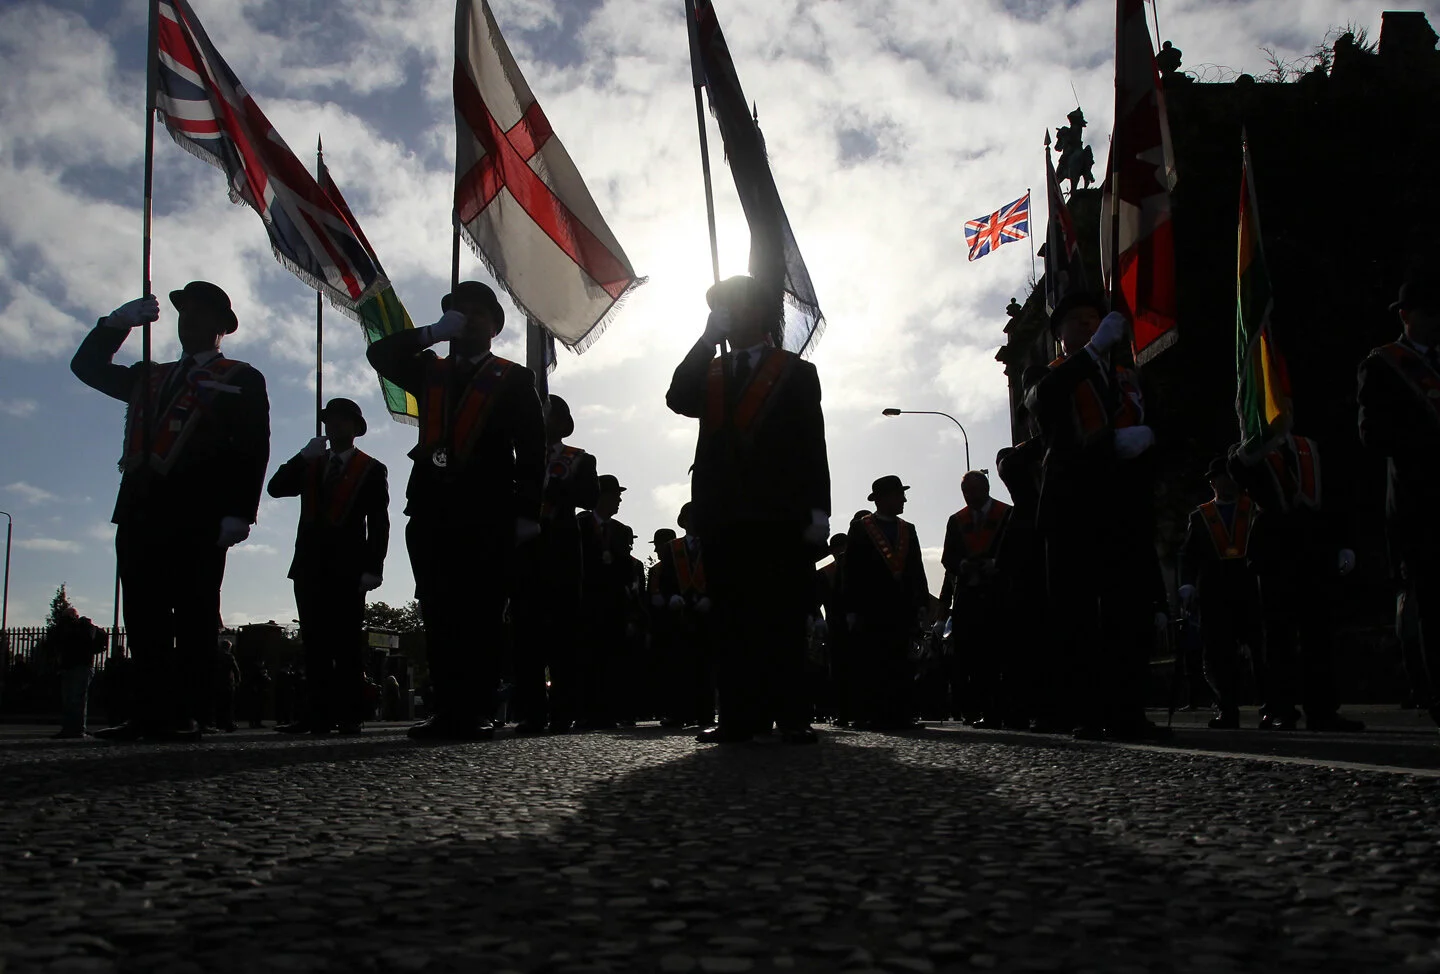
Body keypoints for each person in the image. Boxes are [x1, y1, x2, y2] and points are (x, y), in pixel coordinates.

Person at [71, 281, 270, 741]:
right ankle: (149, 712)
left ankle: (189, 713)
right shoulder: (151, 376)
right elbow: (86, 368)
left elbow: (253, 447)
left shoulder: (240, 376)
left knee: (195, 614)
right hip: (141, 510)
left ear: (223, 327)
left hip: (200, 513)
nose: (190, 322)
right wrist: (116, 325)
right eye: (185, 314)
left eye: (202, 315)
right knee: (143, 616)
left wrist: (240, 511)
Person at [367, 280, 545, 740]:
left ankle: (478, 708)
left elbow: (530, 447)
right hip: (431, 503)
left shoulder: (512, 376)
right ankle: (448, 707)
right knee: (439, 608)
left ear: (494, 326)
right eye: (459, 313)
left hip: (488, 507)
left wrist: (528, 510)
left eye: (477, 313)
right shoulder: (431, 370)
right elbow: (380, 356)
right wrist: (430, 332)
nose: (467, 320)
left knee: (482, 610)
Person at [666, 274, 831, 744]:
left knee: (780, 614)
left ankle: (791, 715)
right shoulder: (712, 371)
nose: (727, 315)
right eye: (721, 309)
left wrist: (819, 510)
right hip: (723, 512)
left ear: (756, 313)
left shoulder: (795, 372)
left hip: (778, 513)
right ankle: (739, 714)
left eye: (733, 307)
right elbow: (677, 397)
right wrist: (704, 341)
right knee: (731, 617)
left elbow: (811, 446)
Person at [1031, 292, 1168, 740]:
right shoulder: (1051, 374)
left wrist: (1151, 436)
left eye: (1095, 319)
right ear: (1061, 336)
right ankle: (1088, 711)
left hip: (1124, 507)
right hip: (1074, 509)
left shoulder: (1129, 376)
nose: (1091, 326)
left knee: (1128, 612)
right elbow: (1042, 405)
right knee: (1079, 616)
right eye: (1079, 322)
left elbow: (1164, 419)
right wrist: (1090, 355)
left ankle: (1129, 709)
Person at [267, 398, 390, 735]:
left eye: (343, 421)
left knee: (347, 643)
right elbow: (276, 489)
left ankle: (349, 715)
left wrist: (373, 566)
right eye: (331, 421)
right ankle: (317, 714)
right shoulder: (311, 464)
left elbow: (379, 522)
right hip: (309, 564)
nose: (336, 426)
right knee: (316, 644)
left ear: (355, 429)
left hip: (349, 567)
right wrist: (300, 457)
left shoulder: (371, 468)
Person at [1229, 434, 1363, 732]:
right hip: (1275, 553)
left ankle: (1323, 710)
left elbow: (1336, 494)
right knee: (1279, 638)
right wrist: (1253, 441)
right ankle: (1280, 709)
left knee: (1319, 635)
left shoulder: (1309, 447)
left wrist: (1345, 542)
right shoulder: (1252, 447)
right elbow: (1236, 470)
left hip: (1315, 548)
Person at [1358, 272, 1440, 734]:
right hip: (1420, 504)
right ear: (1407, 317)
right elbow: (1372, 434)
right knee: (1432, 602)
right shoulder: (1384, 365)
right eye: (1429, 314)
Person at [512, 394, 599, 734]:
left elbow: (589, 498)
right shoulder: (517, 459)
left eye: (547, 414)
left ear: (563, 423)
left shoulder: (580, 459)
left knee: (564, 634)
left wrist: (550, 488)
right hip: (525, 550)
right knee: (526, 636)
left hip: (562, 551)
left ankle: (563, 711)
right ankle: (532, 713)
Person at [1177, 458, 1262, 729]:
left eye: (1223, 477)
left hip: (1250, 588)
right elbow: (1187, 555)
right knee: (1217, 654)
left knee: (1261, 650)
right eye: (1215, 478)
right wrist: (1187, 584)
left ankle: (1271, 706)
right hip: (1214, 593)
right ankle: (1227, 708)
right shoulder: (1200, 516)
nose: (1218, 482)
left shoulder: (1253, 509)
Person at [845, 477, 929, 729]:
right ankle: (874, 714)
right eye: (899, 495)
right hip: (872, 607)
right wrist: (851, 607)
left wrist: (922, 602)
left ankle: (901, 714)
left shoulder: (908, 529)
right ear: (883, 498)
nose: (904, 500)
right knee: (874, 661)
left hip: (902, 606)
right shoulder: (861, 528)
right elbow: (852, 570)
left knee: (901, 662)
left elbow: (916, 568)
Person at [938, 471, 1014, 728]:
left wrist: (996, 564)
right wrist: (964, 565)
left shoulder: (1007, 514)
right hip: (969, 596)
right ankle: (987, 710)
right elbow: (948, 558)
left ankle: (1011, 710)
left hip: (1001, 594)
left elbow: (1019, 550)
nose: (969, 496)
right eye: (965, 492)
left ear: (986, 487)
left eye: (973, 490)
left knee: (1004, 654)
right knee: (976, 657)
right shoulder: (956, 520)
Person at [576, 475, 633, 730]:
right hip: (585, 601)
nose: (619, 500)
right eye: (615, 495)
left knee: (612, 659)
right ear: (602, 497)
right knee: (585, 657)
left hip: (613, 604)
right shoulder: (579, 524)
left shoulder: (622, 531)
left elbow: (625, 569)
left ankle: (608, 712)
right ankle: (585, 711)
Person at [651, 504, 715, 729]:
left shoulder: (713, 546)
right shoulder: (671, 548)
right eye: (689, 518)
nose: (693, 522)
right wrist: (670, 597)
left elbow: (719, 576)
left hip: (705, 611)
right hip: (679, 611)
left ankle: (705, 714)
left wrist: (711, 598)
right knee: (679, 664)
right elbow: (666, 578)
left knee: (704, 665)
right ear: (683, 521)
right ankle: (679, 712)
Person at [816, 533, 853, 727]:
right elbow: (816, 602)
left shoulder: (855, 569)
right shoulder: (824, 574)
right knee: (839, 670)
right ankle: (844, 711)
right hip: (835, 625)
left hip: (855, 624)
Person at [51, 607, 106, 739]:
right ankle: (72, 728)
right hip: (76, 665)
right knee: (72, 699)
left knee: (75, 698)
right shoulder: (79, 628)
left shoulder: (82, 627)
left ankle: (75, 728)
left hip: (79, 665)